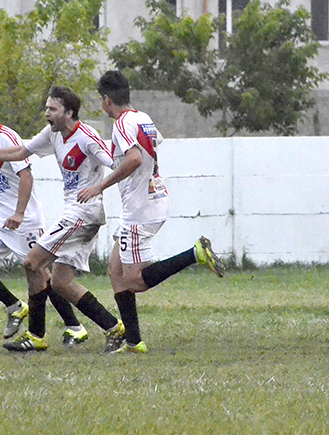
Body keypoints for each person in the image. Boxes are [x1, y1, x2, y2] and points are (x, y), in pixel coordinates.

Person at [0, 85, 124, 353]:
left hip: (83, 212)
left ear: (68, 112)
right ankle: (114, 328)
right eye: (46, 107)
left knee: (33, 263)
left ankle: (36, 335)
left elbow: (120, 164)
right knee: (60, 283)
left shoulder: (87, 137)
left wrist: (98, 188)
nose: (46, 113)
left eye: (52, 109)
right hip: (73, 212)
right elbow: (20, 152)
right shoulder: (53, 133)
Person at [77, 69, 224, 354]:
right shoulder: (144, 118)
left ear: (107, 100)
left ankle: (194, 254)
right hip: (154, 199)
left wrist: (101, 186)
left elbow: (133, 159)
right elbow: (151, 148)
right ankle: (133, 342)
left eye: (100, 100)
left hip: (139, 209)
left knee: (135, 281)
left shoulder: (121, 123)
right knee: (115, 271)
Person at [0, 94, 89, 346]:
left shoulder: (8, 138)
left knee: (41, 273)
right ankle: (14, 306)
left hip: (25, 220)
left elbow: (26, 176)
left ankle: (74, 326)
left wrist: (19, 213)